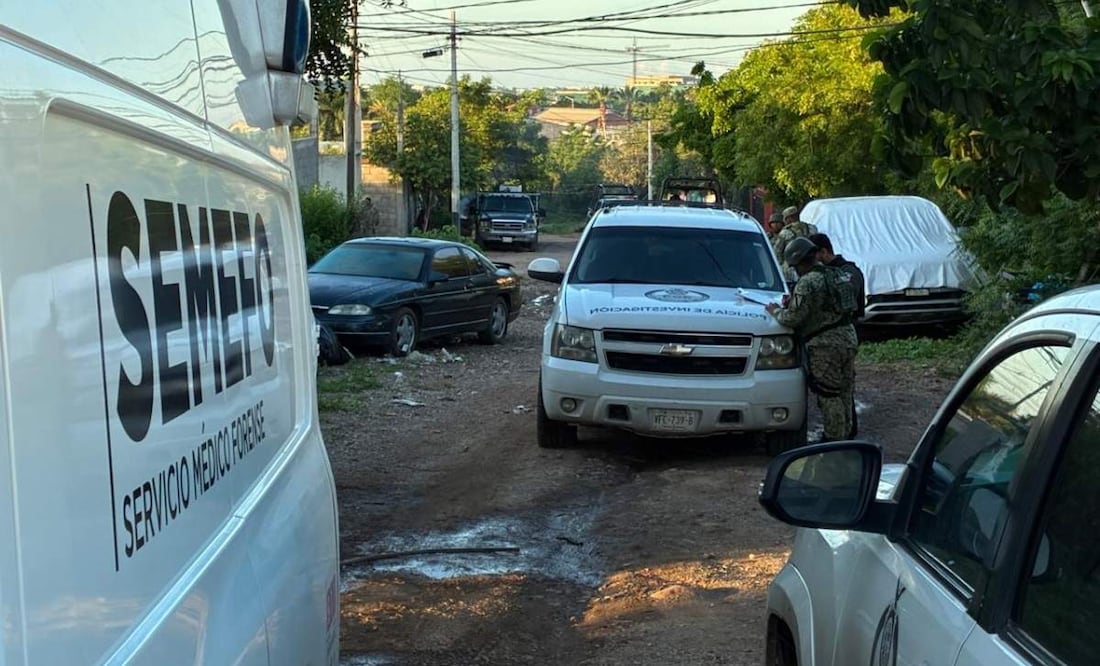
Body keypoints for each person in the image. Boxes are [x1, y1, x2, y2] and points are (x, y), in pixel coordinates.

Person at [765, 237, 857, 443]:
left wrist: (776, 311)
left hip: (825, 345)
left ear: (799, 263)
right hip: (848, 339)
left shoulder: (807, 282)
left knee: (828, 393)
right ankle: (846, 436)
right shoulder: (836, 274)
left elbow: (793, 318)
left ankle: (833, 440)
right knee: (845, 391)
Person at [809, 232, 864, 438]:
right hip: (844, 337)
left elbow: (844, 305)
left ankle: (839, 434)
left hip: (840, 336)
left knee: (834, 390)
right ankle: (845, 432)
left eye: (814, 255)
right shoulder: (839, 273)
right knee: (842, 388)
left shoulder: (846, 272)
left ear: (823, 252)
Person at [809, 233, 866, 321]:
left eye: (812, 256)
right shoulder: (821, 272)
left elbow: (846, 296)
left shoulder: (847, 270)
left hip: (846, 324)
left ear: (824, 252)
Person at [773, 205, 818, 273]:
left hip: (793, 270)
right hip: (812, 266)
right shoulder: (812, 228)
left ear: (789, 218)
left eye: (785, 219)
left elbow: (777, 253)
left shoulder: (785, 232)